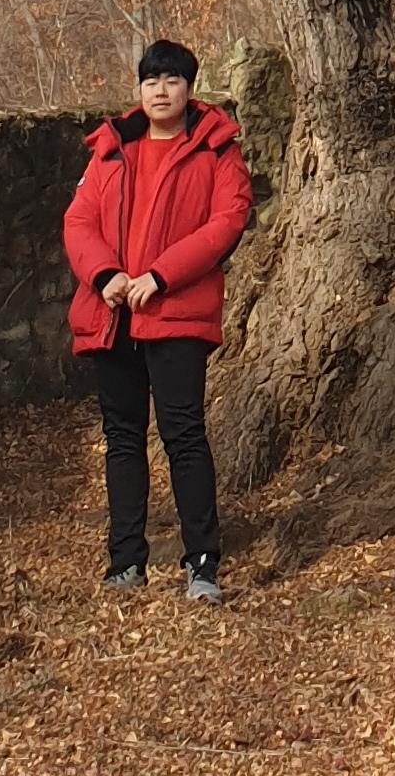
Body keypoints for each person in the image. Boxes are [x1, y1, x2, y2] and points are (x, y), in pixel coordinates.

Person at [62, 39, 254, 603]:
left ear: (189, 88)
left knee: (183, 436)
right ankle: (125, 562)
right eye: (151, 81)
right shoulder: (111, 148)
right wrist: (105, 275)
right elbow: (78, 221)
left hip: (175, 314)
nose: (161, 91)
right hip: (114, 314)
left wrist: (160, 276)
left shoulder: (217, 150)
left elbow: (226, 223)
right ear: (140, 89)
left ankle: (202, 564)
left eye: (172, 81)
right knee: (122, 439)